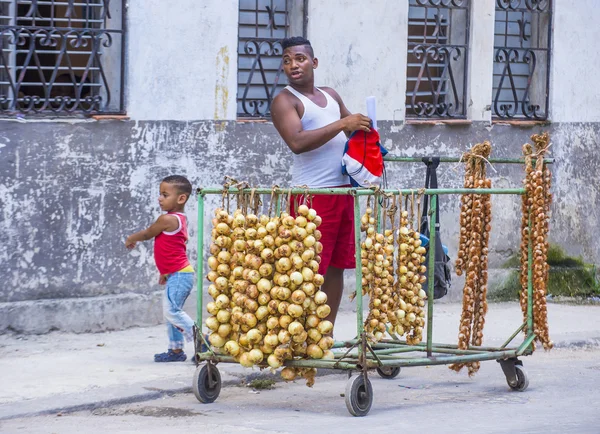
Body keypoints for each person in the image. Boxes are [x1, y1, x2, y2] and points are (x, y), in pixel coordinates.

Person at [270, 36, 372, 326]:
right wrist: (343, 123)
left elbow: (352, 132)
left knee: (337, 267)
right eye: (287, 60)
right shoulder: (285, 100)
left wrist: (366, 130)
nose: (294, 66)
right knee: (305, 269)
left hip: (342, 193)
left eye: (300, 59)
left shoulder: (330, 95)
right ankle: (297, 334)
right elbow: (297, 142)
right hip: (310, 198)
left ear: (313, 62)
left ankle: (323, 335)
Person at [125, 175, 196, 362]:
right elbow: (171, 249)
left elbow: (148, 234)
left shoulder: (167, 219)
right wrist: (166, 272)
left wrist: (132, 238)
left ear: (181, 199)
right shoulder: (178, 218)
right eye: (160, 194)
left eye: (165, 194)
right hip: (177, 274)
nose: (160, 198)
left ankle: (203, 343)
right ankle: (175, 351)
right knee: (172, 313)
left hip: (181, 275)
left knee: (172, 312)